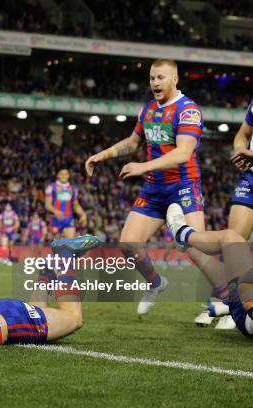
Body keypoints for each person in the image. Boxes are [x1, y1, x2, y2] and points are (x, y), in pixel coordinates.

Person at [84, 58, 225, 316]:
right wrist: (102, 155)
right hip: (155, 189)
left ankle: (226, 298)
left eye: (161, 77)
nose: (155, 83)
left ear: (174, 79)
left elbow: (183, 153)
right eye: (152, 78)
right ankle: (156, 283)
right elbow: (132, 142)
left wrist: (143, 167)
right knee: (128, 244)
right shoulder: (147, 109)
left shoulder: (188, 110)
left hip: (183, 186)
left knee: (197, 248)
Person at [194, 94, 253, 328]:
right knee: (232, 241)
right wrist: (240, 150)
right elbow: (243, 133)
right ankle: (226, 304)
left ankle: (251, 307)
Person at [166, 203, 253, 339]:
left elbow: (249, 295)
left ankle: (182, 233)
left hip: (247, 316)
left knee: (230, 238)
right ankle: (226, 302)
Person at [45, 169, 87, 238]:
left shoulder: (73, 189)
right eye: (61, 174)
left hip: (68, 219)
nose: (64, 176)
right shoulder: (51, 188)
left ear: (68, 175)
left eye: (66, 174)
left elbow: (76, 205)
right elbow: (47, 205)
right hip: (56, 220)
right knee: (58, 246)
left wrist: (83, 214)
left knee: (70, 244)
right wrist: (55, 211)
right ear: (58, 175)